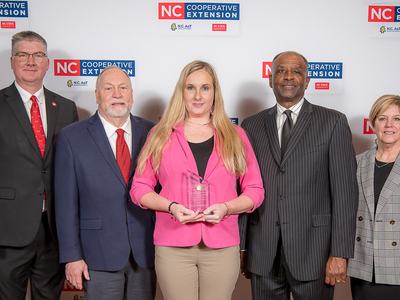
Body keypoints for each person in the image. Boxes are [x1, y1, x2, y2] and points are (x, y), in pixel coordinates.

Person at [130, 60, 264, 300]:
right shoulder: (161, 133)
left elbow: (255, 190)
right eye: (190, 88)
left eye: (205, 88)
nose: (198, 95)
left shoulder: (235, 136)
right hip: (173, 245)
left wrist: (227, 208)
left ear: (215, 92)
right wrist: (171, 206)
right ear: (182, 92)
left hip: (222, 246)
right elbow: (139, 188)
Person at [239, 51, 358, 300]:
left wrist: (340, 252)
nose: (288, 77)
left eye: (297, 71)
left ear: (307, 80)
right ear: (271, 79)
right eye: (281, 71)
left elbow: (345, 194)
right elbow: (243, 188)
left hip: (314, 250)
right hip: (263, 250)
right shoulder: (251, 126)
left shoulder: (333, 122)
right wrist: (242, 245)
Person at [55, 66, 156, 300]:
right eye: (108, 88)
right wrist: (72, 256)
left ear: (131, 95)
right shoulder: (71, 138)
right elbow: (65, 203)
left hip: (144, 252)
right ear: (97, 95)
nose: (117, 94)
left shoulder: (153, 132)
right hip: (97, 253)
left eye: (123, 88)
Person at [0, 31, 78, 299]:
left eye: (38, 55)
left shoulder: (66, 108)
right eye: (23, 54)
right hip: (8, 231)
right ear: (12, 61)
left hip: (53, 229)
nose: (30, 61)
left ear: (47, 63)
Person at [348, 94, 400, 299]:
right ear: (372, 123)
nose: (389, 125)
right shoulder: (357, 163)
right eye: (382, 118)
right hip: (364, 266)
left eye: (397, 119)